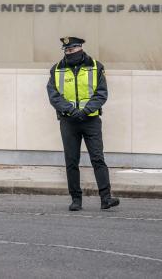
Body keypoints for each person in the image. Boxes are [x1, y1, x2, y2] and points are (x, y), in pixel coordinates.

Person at [46, 36, 120, 211]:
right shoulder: (56, 69)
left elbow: (101, 94)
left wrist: (85, 111)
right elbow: (53, 95)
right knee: (71, 161)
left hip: (91, 120)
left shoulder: (96, 66)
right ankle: (76, 200)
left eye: (72, 49)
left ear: (80, 48)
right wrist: (72, 111)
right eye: (66, 50)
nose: (69, 52)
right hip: (68, 121)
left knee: (98, 159)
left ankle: (106, 198)